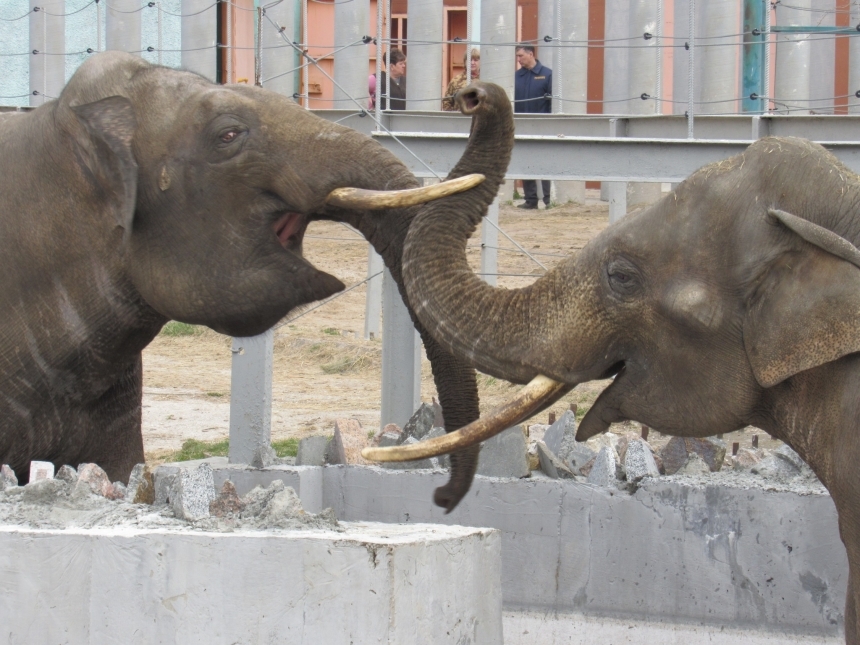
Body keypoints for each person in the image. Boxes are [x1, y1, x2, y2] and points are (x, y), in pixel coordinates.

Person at [514, 44, 552, 209]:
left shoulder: (547, 75)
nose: (519, 59)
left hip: (543, 126)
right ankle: (531, 200)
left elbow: (552, 103)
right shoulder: (516, 77)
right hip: (521, 125)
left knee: (546, 162)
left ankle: (549, 199)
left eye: (521, 55)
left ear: (531, 54)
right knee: (525, 161)